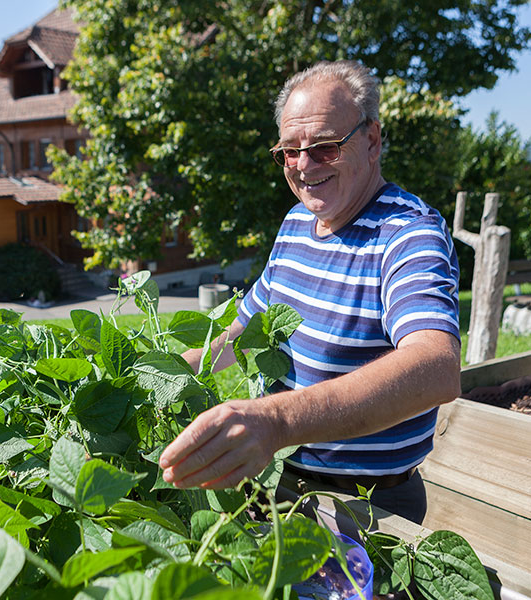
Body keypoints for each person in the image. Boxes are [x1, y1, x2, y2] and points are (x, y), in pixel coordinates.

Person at [158, 60, 461, 524]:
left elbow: (436, 366)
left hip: (366, 509)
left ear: (373, 140)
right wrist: (164, 378)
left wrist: (276, 421)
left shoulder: (406, 233)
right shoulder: (297, 223)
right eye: (289, 151)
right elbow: (245, 328)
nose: (303, 165)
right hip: (272, 480)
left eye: (324, 148)